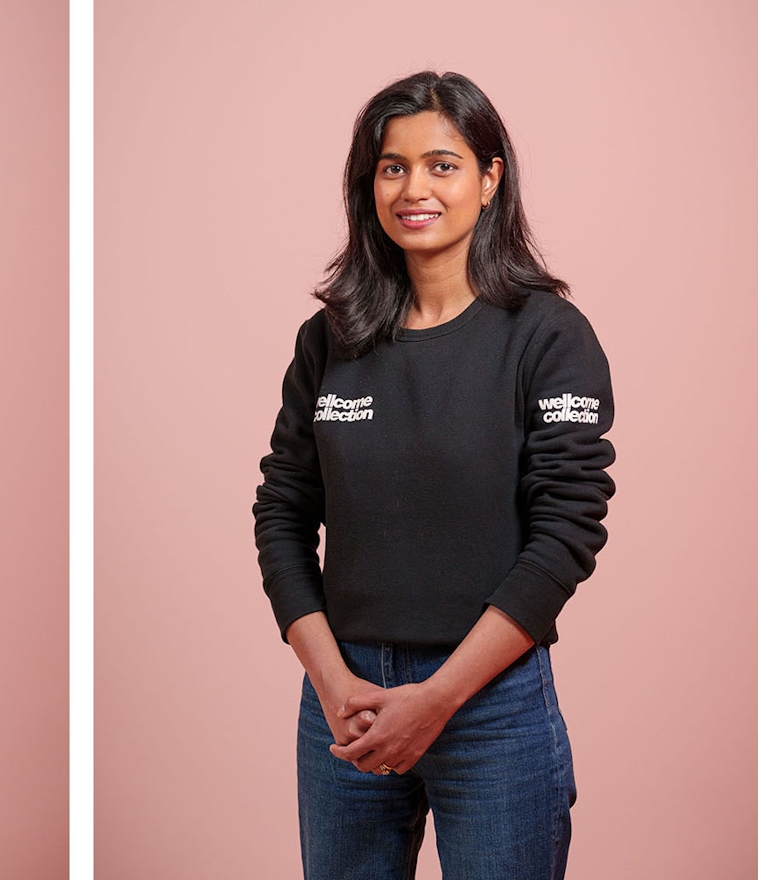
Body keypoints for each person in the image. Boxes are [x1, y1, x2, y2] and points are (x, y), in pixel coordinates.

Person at [253, 71, 614, 880]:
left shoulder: (549, 338)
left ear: (490, 179)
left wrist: (440, 697)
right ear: (368, 184)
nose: (414, 187)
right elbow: (281, 512)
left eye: (442, 164)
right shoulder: (329, 341)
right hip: (343, 703)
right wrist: (332, 678)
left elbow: (564, 536)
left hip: (492, 708)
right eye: (392, 166)